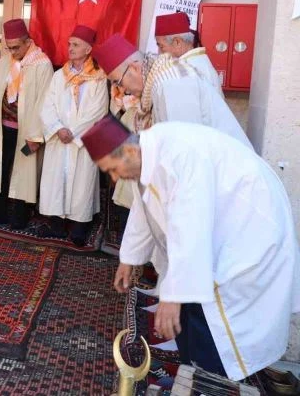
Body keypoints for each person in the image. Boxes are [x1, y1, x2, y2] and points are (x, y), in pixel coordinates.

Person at [83, 115, 300, 381]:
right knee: (189, 306)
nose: (116, 177)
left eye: (113, 169)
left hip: (251, 235)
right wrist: (129, 258)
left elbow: (191, 229)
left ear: (128, 150)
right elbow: (145, 205)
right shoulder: (150, 152)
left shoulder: (179, 156)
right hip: (219, 234)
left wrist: (173, 296)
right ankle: (192, 375)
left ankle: (209, 382)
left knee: (209, 322)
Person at [92, 33, 250, 147]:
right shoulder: (159, 81)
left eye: (118, 82)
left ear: (134, 68)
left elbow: (185, 147)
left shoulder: (171, 82)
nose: (122, 90)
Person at [0, 19, 52, 229]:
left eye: (16, 47)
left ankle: (20, 217)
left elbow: (45, 102)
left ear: (28, 42)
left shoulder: (42, 65)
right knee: (1, 170)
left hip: (27, 132)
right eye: (9, 48)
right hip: (2, 129)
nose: (13, 52)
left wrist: (36, 136)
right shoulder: (4, 62)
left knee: (23, 173)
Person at [38, 25, 107, 244]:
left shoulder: (98, 77)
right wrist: (58, 128)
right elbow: (47, 105)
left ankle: (79, 228)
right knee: (57, 181)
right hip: (59, 137)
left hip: (82, 141)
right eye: (69, 44)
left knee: (81, 184)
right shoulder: (59, 76)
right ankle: (56, 226)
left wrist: (73, 133)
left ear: (88, 49)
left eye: (75, 45)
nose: (70, 48)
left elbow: (98, 111)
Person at [154, 11, 222, 94]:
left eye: (161, 46)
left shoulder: (186, 71)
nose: (159, 53)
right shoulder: (199, 60)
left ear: (177, 42)